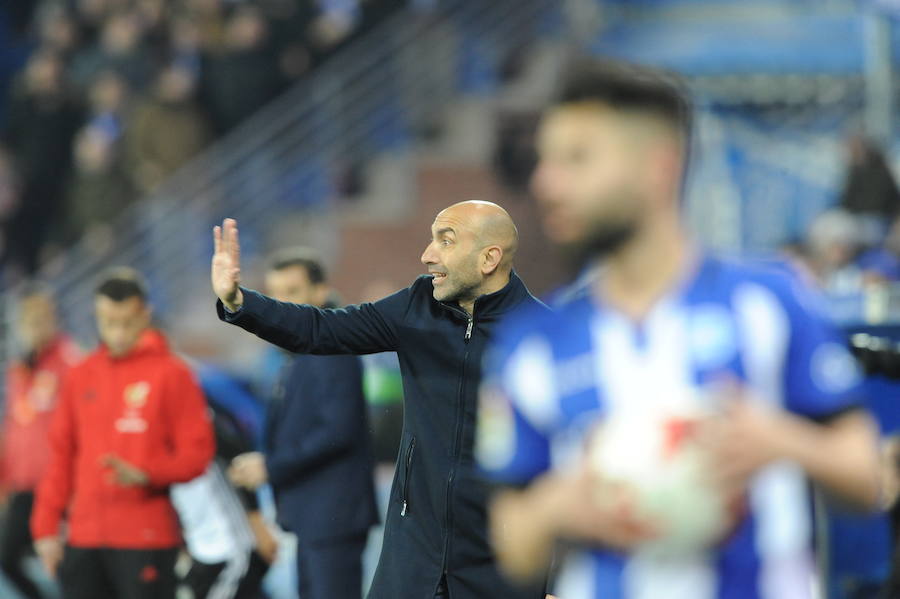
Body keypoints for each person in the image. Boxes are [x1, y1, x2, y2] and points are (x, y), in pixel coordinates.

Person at [476, 59, 881, 599]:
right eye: (545, 160)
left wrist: (783, 442)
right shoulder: (531, 345)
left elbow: (868, 478)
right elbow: (512, 545)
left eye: (577, 158)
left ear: (658, 167)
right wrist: (555, 507)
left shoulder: (770, 302)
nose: (545, 182)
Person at [211, 200, 548, 599]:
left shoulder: (539, 336)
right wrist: (239, 302)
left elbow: (566, 459)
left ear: (489, 258)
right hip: (414, 554)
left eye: (446, 240)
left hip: (498, 562)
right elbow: (322, 329)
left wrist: (554, 578)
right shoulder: (418, 305)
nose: (428, 255)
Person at [30, 268, 215, 599]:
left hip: (146, 537)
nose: (117, 332)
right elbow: (61, 455)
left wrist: (147, 473)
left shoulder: (174, 374)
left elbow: (198, 454)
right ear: (96, 316)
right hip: (83, 538)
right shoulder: (80, 375)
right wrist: (45, 527)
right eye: (107, 321)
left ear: (145, 313)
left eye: (126, 322)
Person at [227, 247, 377, 598]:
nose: (281, 304)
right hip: (316, 516)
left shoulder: (331, 346)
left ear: (321, 292)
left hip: (333, 516)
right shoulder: (298, 351)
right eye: (274, 294)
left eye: (291, 293)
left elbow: (337, 431)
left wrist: (271, 466)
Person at [0, 284, 80, 599]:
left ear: (53, 320)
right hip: (24, 487)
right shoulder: (18, 370)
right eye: (28, 321)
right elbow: (15, 427)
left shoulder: (69, 363)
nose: (33, 328)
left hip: (58, 483)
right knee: (6, 556)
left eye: (40, 319)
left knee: (68, 563)